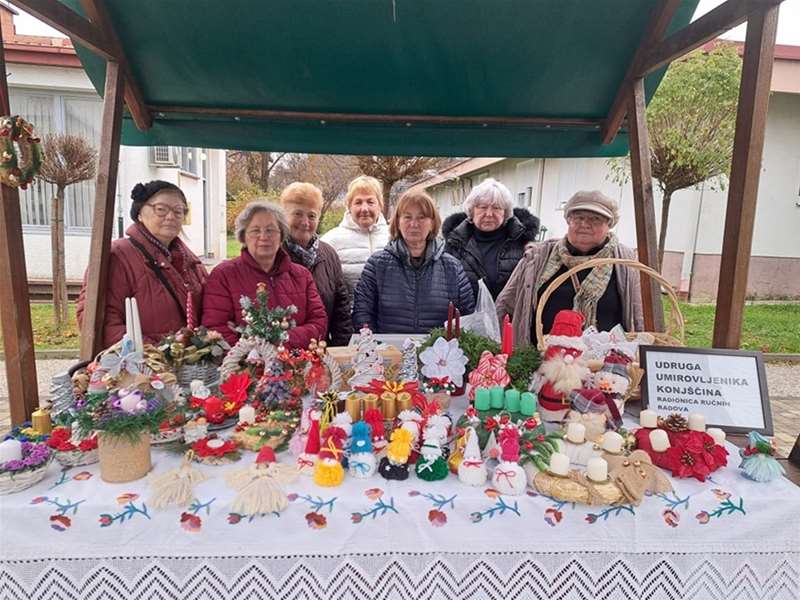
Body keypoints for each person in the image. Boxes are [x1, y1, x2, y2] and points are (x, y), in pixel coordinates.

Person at [496, 190, 644, 346]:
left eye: (596, 219)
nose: (585, 224)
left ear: (609, 225)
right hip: (540, 361)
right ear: (568, 220)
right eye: (578, 217)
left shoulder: (624, 261)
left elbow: (639, 315)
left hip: (603, 363)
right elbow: (505, 304)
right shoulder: (537, 257)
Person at [76, 180, 207, 348]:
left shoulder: (189, 260)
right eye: (161, 209)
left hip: (188, 365)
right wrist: (153, 353)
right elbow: (98, 321)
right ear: (139, 213)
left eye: (178, 211)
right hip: (143, 366)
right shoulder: (118, 255)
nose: (171, 216)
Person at [201, 201, 327, 349]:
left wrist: (281, 339)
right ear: (243, 237)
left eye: (271, 230)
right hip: (245, 368)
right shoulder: (223, 275)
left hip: (297, 363)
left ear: (281, 236)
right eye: (255, 230)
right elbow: (216, 328)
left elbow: (319, 323)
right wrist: (256, 353)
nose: (263, 237)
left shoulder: (302, 275)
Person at [352, 190, 475, 333]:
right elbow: (362, 312)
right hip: (389, 352)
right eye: (407, 217)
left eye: (421, 217)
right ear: (397, 222)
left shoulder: (452, 267)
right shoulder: (377, 264)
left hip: (439, 352)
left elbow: (468, 317)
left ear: (432, 223)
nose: (414, 224)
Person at [279, 182, 353, 346]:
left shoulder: (329, 255)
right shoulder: (272, 254)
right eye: (297, 214)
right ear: (283, 216)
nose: (305, 222)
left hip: (322, 352)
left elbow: (341, 311)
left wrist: (338, 351)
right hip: (281, 354)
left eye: (312, 216)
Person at [442, 178, 540, 300]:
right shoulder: (455, 244)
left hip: (510, 318)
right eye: (482, 207)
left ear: (506, 212)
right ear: (471, 211)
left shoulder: (523, 243)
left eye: (496, 208)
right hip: (467, 317)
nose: (489, 214)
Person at [320, 175, 390, 291]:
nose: (364, 209)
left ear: (380, 205)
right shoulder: (331, 241)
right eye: (358, 202)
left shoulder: (394, 237)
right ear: (349, 206)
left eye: (370, 202)